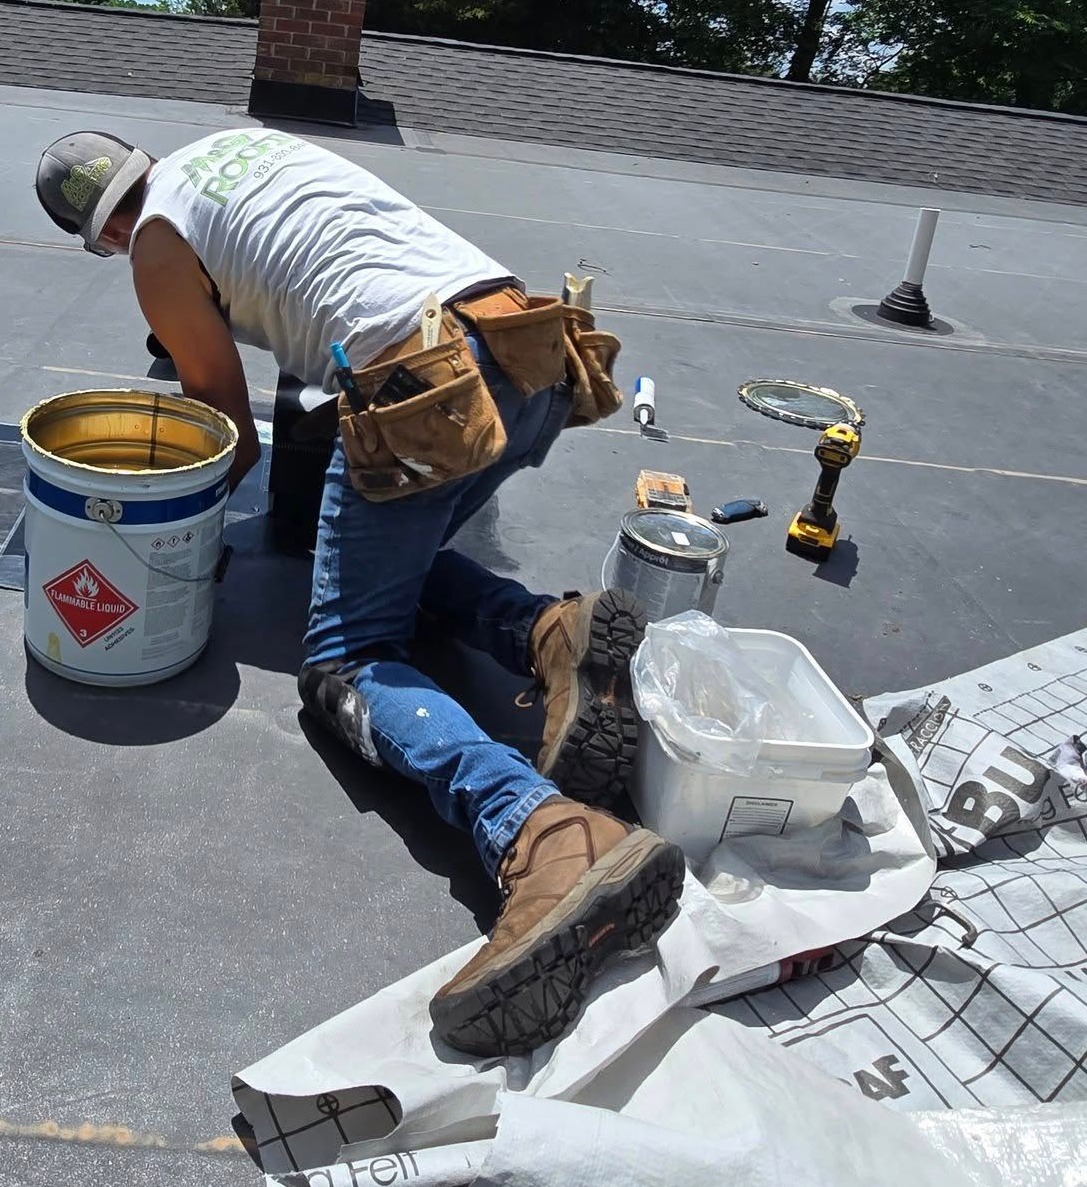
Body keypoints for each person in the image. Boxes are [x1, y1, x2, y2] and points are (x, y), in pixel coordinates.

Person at [35, 126, 684, 1056]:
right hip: (527, 348)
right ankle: (548, 631)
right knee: (370, 555)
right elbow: (318, 289)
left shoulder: (152, 248)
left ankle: (545, 837)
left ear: (97, 235)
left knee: (349, 657)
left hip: (423, 389)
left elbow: (229, 437)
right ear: (142, 160)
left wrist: (166, 534)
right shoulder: (234, 152)